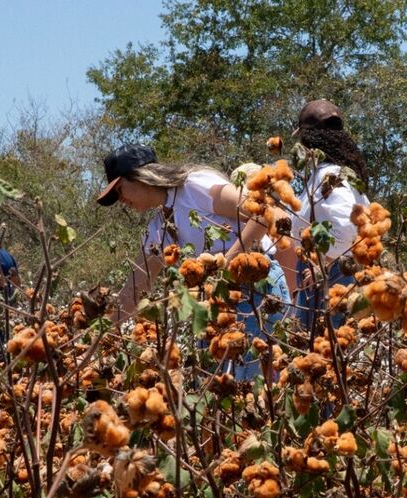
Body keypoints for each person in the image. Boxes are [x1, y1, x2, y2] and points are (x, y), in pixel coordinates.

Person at [96, 144, 290, 380]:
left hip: (257, 289)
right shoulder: (157, 229)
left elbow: (261, 211)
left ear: (139, 177)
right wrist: (97, 338)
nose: (121, 200)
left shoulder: (194, 187)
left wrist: (226, 265)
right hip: (217, 304)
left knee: (255, 384)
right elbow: (134, 289)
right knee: (216, 389)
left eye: (119, 190)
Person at [291, 99, 371, 335]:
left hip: (331, 280)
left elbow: (348, 227)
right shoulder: (331, 174)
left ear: (307, 139)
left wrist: (322, 264)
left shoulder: (331, 175)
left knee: (326, 356)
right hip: (327, 276)